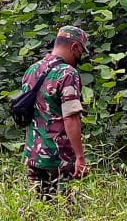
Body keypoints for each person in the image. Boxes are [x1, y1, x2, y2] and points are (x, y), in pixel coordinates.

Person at [19, 25, 90, 200]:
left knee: (39, 209)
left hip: (32, 155)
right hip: (59, 158)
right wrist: (80, 157)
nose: (80, 57)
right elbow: (71, 117)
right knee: (65, 212)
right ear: (74, 47)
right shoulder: (68, 74)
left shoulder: (32, 70)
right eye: (80, 51)